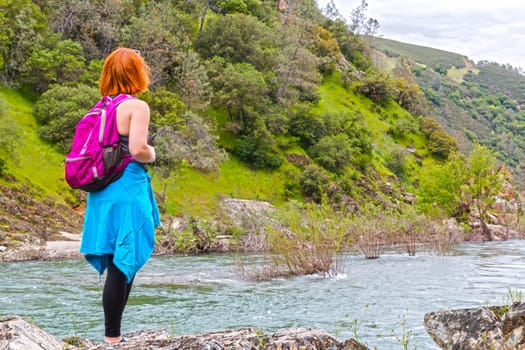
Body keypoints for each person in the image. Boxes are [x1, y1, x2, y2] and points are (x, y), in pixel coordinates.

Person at [79, 47, 160, 345]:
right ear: (136, 73)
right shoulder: (136, 107)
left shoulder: (99, 108)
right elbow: (138, 149)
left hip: (102, 190)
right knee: (123, 260)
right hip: (127, 187)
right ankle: (112, 339)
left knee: (118, 258)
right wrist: (153, 152)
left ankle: (114, 335)